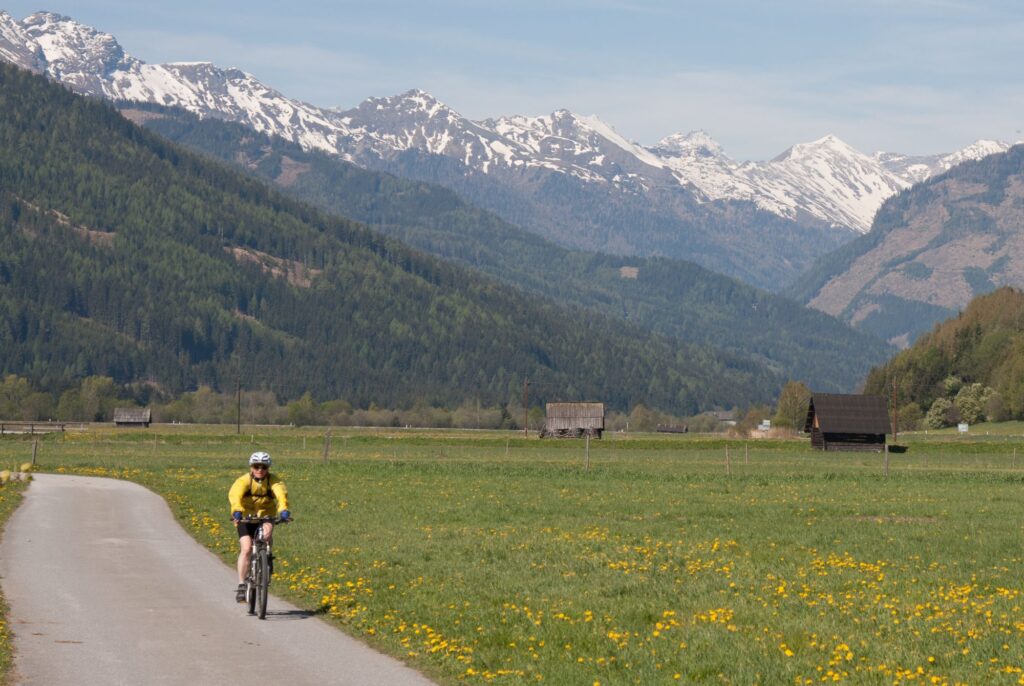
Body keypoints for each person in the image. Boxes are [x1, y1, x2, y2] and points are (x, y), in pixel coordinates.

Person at [229, 451, 290, 602]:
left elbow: (281, 495)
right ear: (251, 467)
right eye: (257, 466)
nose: (260, 470)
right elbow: (235, 495)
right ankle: (242, 585)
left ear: (268, 468)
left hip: (265, 515)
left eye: (264, 467)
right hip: (245, 517)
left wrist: (283, 511)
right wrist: (237, 510)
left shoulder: (274, 481)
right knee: (247, 548)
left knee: (267, 535)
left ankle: (266, 557)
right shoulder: (243, 481)